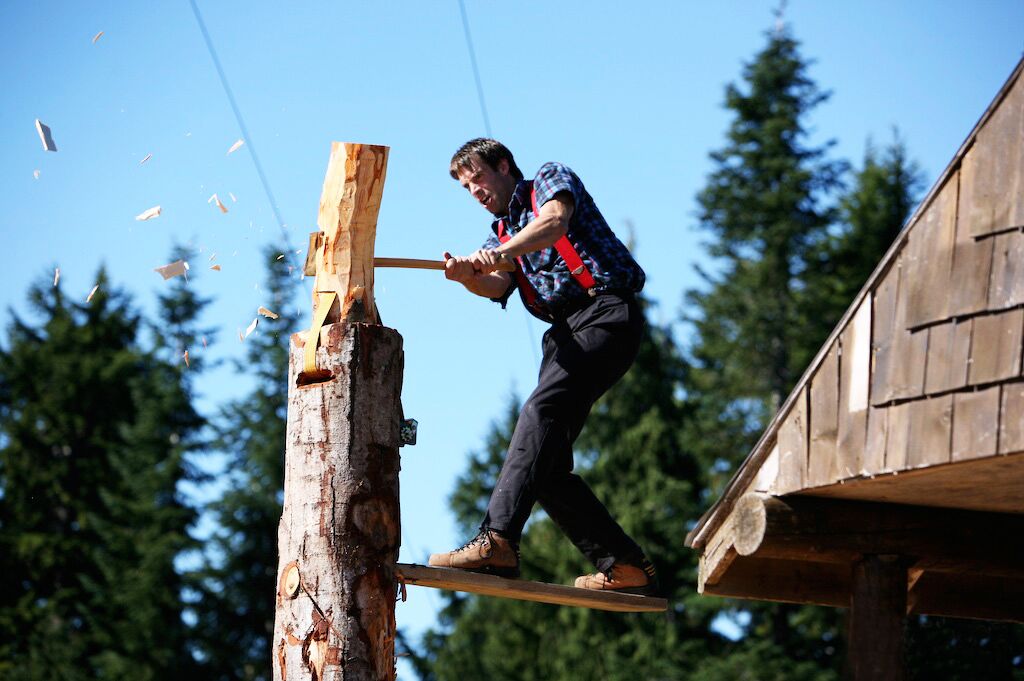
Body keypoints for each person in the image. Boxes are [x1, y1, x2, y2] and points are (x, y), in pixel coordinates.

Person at [427, 138, 658, 595]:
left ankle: (496, 539)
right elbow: (496, 286)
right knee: (545, 464)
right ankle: (625, 566)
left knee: (540, 414)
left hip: (605, 313)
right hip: (564, 336)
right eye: (466, 189)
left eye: (478, 180)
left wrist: (504, 252)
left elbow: (553, 224)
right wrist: (469, 277)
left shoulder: (549, 180)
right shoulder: (498, 234)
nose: (475, 192)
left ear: (504, 165)